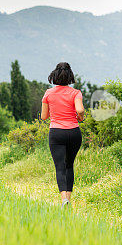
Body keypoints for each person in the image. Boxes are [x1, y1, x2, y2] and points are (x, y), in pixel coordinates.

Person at [40, 62, 84, 209]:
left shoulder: (48, 93)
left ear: (54, 76)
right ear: (70, 76)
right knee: (69, 165)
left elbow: (44, 116)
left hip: (56, 133)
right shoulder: (76, 93)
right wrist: (81, 117)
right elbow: (80, 110)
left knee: (59, 167)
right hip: (73, 132)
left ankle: (63, 199)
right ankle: (69, 200)